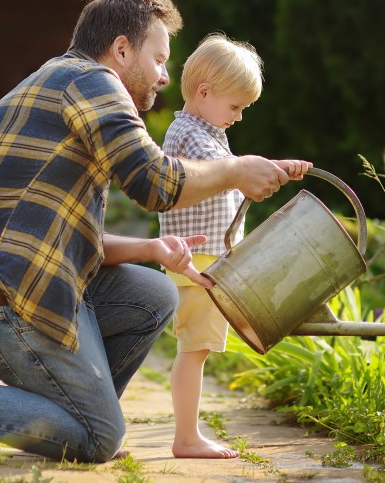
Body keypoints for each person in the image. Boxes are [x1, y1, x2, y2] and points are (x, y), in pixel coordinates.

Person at [0, 0, 311, 463]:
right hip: (2, 304)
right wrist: (236, 171)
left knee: (155, 293)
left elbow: (67, 238)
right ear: (121, 49)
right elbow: (153, 182)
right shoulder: (95, 82)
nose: (163, 76)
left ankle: (72, 418)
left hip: (7, 290)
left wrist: (152, 250)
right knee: (100, 439)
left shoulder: (52, 82)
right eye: (158, 59)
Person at [158, 34, 303, 459]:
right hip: (198, 262)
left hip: (204, 259)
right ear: (204, 93)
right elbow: (229, 173)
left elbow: (235, 178)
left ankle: (188, 433)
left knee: (197, 349)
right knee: (195, 350)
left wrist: (275, 170)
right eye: (235, 106)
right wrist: (265, 169)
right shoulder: (191, 136)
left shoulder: (203, 131)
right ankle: (186, 438)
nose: (238, 117)